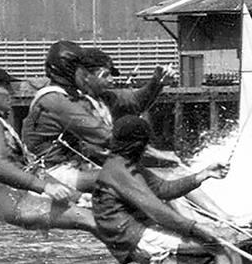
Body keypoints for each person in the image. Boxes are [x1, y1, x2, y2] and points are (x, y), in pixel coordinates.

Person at [92, 116, 245, 264]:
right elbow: (156, 211)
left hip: (140, 230)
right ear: (139, 144)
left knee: (229, 239)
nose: (147, 149)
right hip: (133, 238)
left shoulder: (127, 165)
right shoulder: (121, 171)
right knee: (220, 246)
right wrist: (196, 228)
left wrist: (203, 174)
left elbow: (164, 188)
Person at [21, 41, 173, 192]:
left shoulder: (78, 97)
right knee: (129, 176)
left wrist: (156, 83)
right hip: (51, 173)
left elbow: (134, 102)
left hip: (75, 167)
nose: (85, 74)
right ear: (70, 72)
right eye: (82, 70)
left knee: (138, 175)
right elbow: (104, 136)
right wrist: (156, 153)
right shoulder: (56, 100)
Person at [0, 66, 98, 234]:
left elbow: (31, 169)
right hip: (13, 205)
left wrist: (76, 196)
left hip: (17, 199)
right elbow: (1, 168)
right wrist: (45, 188)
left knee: (92, 214)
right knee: (89, 219)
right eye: (7, 87)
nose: (12, 92)